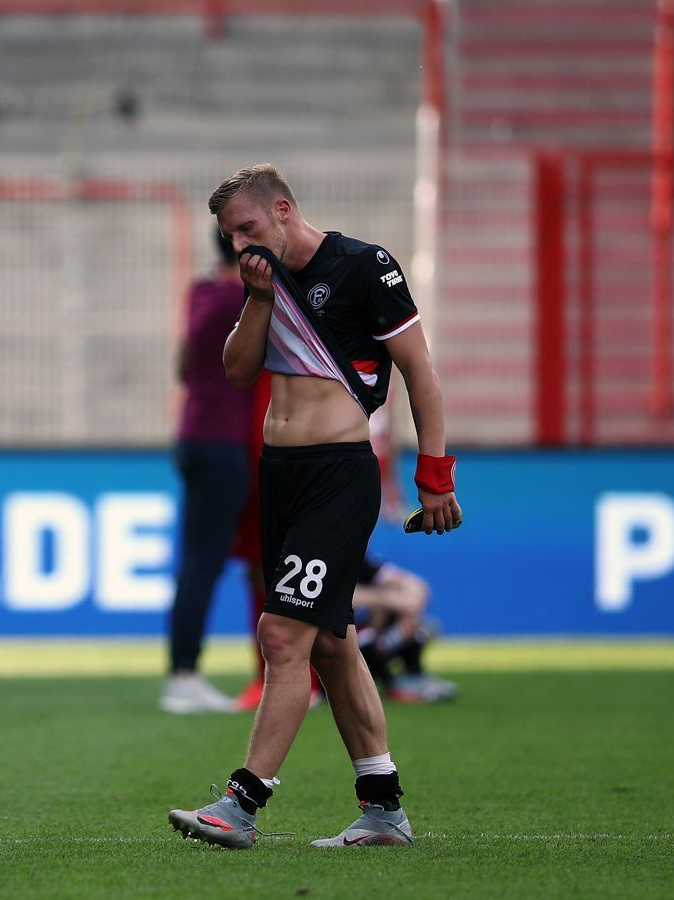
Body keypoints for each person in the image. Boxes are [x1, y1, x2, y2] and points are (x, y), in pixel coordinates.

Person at [168, 163, 461, 849]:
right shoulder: (262, 286)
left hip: (337, 472)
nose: (240, 244)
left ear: (282, 209)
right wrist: (259, 299)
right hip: (281, 475)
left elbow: (420, 372)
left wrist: (436, 475)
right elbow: (238, 372)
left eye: (247, 228)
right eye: (230, 236)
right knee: (332, 644)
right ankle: (383, 808)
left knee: (281, 636)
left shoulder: (363, 267)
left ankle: (242, 804)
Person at [161, 231, 255, 715]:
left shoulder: (200, 292)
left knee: (196, 562)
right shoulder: (241, 297)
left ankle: (182, 673)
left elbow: (183, 365)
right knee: (204, 563)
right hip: (223, 442)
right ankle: (184, 677)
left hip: (193, 434)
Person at [352, 554, 457, 704]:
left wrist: (407, 614)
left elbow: (418, 587)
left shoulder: (364, 562)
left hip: (369, 638)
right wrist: (388, 600)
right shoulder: (332, 559)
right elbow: (343, 599)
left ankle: (412, 676)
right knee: (374, 629)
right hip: (342, 642)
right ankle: (394, 685)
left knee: (426, 627)